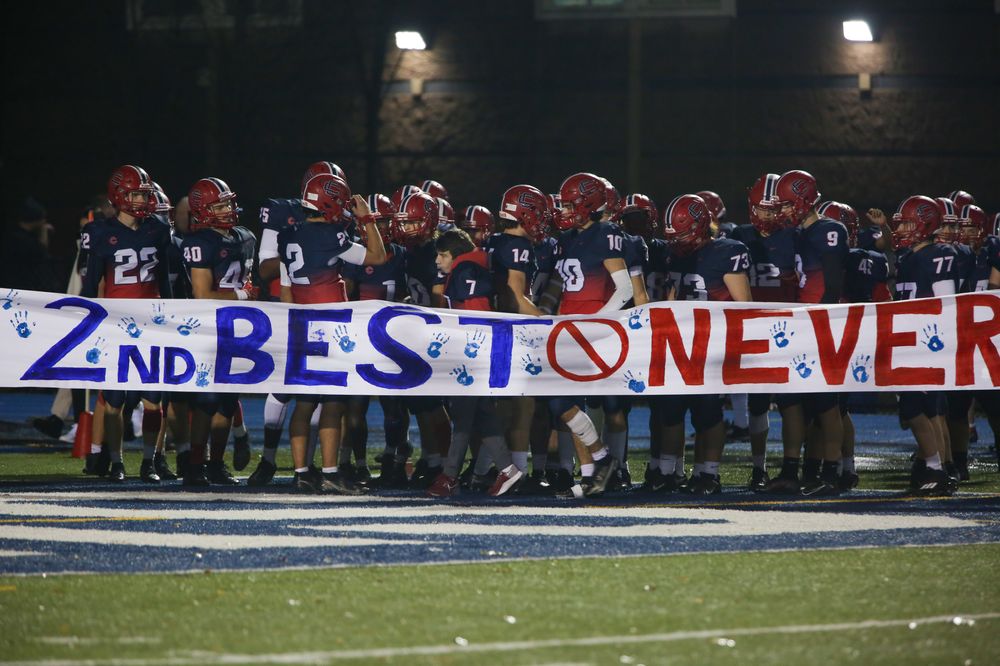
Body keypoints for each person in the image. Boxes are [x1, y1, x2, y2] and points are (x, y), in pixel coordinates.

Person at [277, 172, 386, 494]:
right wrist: (367, 219)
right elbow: (378, 257)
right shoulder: (330, 236)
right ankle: (329, 472)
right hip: (329, 328)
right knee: (334, 403)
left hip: (299, 324)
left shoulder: (288, 236)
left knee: (304, 403)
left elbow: (286, 290)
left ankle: (301, 472)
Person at [539, 172, 631, 497]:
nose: (562, 211)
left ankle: (601, 463)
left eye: (568, 205)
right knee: (564, 404)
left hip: (592, 333)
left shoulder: (605, 233)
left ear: (587, 204)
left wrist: (598, 324)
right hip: (569, 329)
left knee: (561, 401)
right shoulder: (568, 239)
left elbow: (624, 289)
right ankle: (592, 475)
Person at [81, 165, 173, 483]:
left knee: (153, 398)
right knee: (115, 400)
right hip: (115, 325)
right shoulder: (100, 233)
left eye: (145, 194)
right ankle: (116, 461)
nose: (143, 201)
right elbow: (91, 285)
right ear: (120, 196)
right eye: (136, 194)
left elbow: (167, 284)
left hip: (151, 323)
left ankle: (149, 461)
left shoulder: (158, 229)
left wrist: (171, 317)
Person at [659, 194, 752, 495]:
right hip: (678, 342)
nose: (679, 241)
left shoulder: (728, 251)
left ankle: (707, 474)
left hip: (712, 343)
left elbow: (744, 305)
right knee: (671, 410)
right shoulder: (675, 254)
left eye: (684, 234)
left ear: (701, 227)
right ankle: (668, 472)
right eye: (674, 235)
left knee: (707, 412)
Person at [178, 177, 258, 486]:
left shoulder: (246, 237)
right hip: (208, 328)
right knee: (206, 401)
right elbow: (201, 293)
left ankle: (215, 463)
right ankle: (195, 464)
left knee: (227, 401)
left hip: (238, 328)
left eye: (228, 203)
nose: (228, 209)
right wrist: (242, 296)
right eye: (220, 205)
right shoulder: (199, 242)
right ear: (204, 210)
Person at [427, 229, 515, 497]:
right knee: (482, 415)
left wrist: (471, 350)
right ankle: (508, 470)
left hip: (474, 352)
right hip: (478, 349)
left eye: (442, 255)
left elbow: (479, 313)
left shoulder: (466, 269)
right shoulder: (469, 267)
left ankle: (449, 475)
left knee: (463, 416)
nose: (437, 261)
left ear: (455, 254)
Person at [888, 195, 958, 495]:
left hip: (927, 341)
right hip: (911, 339)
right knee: (929, 410)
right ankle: (939, 466)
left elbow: (947, 303)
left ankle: (935, 468)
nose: (901, 229)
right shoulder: (908, 258)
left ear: (924, 225)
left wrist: (939, 343)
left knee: (915, 408)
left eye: (907, 223)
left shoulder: (939, 254)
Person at [0, 197, 62, 294]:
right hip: (19, 289)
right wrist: (43, 231)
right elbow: (42, 255)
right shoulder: (21, 240)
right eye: (43, 219)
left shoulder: (15, 235)